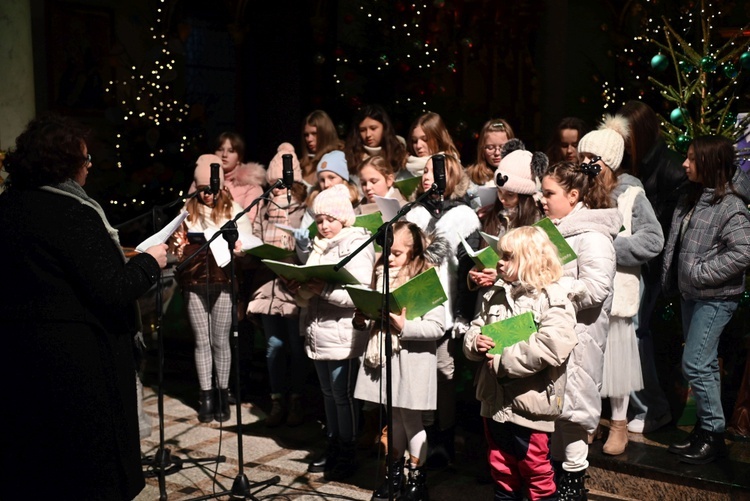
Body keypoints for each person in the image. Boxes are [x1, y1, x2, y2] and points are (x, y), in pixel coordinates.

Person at [0, 113, 168, 500]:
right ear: (65, 164)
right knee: (88, 468)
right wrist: (150, 261)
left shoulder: (8, 207)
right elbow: (113, 289)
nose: (90, 166)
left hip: (20, 356)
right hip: (77, 361)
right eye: (86, 158)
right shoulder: (73, 213)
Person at [463, 226, 578, 501]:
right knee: (501, 468)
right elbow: (476, 327)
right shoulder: (496, 295)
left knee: (536, 469)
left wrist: (503, 362)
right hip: (494, 402)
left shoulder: (553, 298)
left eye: (508, 257)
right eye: (500, 255)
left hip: (531, 402)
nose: (499, 262)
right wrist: (475, 342)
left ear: (531, 259)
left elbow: (552, 345)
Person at [576, 116, 664, 456]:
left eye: (590, 159)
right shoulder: (581, 190)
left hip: (619, 287)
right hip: (587, 285)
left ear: (608, 161)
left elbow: (653, 240)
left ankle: (619, 423)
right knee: (588, 357)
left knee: (616, 355)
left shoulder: (631, 195)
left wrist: (608, 246)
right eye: (581, 158)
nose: (584, 164)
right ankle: (591, 420)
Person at [661, 135, 750, 464]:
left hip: (714, 297)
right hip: (692, 295)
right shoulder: (693, 196)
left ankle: (713, 433)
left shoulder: (730, 205)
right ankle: (706, 430)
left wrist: (700, 273)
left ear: (711, 164)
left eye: (692, 159)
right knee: (705, 363)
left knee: (695, 363)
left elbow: (743, 251)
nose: (685, 164)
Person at [539, 160, 621, 498]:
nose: (541, 199)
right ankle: (560, 478)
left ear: (573, 195)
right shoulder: (553, 230)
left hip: (580, 337)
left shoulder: (593, 236)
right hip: (556, 335)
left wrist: (552, 294)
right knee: (557, 410)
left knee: (573, 410)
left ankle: (573, 485)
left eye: (549, 193)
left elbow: (597, 286)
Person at [289, 184, 376, 480]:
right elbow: (312, 288)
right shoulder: (318, 245)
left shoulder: (356, 243)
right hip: (319, 330)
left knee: (343, 396)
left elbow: (360, 293)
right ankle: (333, 444)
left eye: (330, 219)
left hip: (343, 334)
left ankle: (347, 450)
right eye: (320, 219)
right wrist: (298, 285)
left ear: (344, 219)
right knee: (328, 394)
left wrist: (324, 289)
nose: (324, 225)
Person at [354, 221, 446, 501]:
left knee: (412, 422)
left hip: (413, 360)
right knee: (392, 420)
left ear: (414, 253)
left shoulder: (426, 279)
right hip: (386, 357)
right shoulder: (382, 274)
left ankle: (416, 481)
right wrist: (362, 318)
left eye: (397, 253)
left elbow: (438, 327)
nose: (390, 258)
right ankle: (393, 477)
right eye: (387, 252)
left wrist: (405, 326)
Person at [406, 153, 482, 468]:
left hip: (447, 307)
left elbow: (462, 258)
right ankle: (419, 440)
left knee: (443, 376)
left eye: (435, 171)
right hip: (415, 307)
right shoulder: (414, 212)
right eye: (423, 170)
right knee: (418, 376)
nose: (428, 175)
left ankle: (444, 441)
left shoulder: (463, 214)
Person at [618, 100, 689, 434]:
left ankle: (653, 407)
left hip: (653, 268)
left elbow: (667, 233)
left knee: (637, 333)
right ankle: (636, 405)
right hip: (636, 264)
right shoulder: (629, 166)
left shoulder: (671, 169)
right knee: (629, 333)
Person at [171, 154, 254, 423]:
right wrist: (182, 247)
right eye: (202, 190)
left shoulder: (232, 207)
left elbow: (247, 239)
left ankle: (222, 393)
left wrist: (240, 247)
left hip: (224, 281)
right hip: (194, 283)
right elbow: (175, 244)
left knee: (221, 340)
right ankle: (205, 395)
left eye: (212, 189)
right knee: (202, 340)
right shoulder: (187, 210)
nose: (207, 195)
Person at [247, 143, 310, 427]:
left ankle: (297, 401)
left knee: (296, 347)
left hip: (293, 287)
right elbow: (256, 236)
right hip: (268, 285)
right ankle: (277, 401)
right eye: (271, 185)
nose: (275, 190)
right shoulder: (263, 207)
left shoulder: (301, 209)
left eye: (280, 184)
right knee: (273, 346)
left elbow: (306, 242)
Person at [469, 140, 546, 301]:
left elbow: (538, 271)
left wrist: (498, 276)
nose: (502, 199)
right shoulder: (492, 215)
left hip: (520, 300)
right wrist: (475, 274)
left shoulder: (536, 222)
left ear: (524, 195)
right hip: (487, 300)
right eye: (499, 192)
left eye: (510, 194)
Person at [344, 104, 408, 183]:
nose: (368, 134)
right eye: (362, 130)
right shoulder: (351, 155)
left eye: (373, 128)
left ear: (384, 128)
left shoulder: (399, 152)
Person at [405, 111, 462, 179]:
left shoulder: (453, 170)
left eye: (425, 139)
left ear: (438, 139)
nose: (418, 146)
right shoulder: (404, 171)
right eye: (414, 141)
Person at [299, 110, 345, 188]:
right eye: (306, 135)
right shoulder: (301, 164)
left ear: (325, 133)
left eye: (314, 133)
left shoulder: (340, 159)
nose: (309, 139)